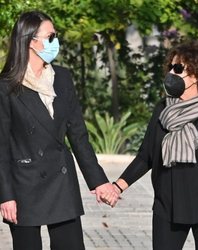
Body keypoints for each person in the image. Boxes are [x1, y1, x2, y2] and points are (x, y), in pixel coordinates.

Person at [107, 40, 198, 250]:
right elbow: (146, 156)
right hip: (168, 207)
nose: (171, 74)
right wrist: (117, 186)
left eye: (178, 68)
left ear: (197, 74)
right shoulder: (163, 110)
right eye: (171, 67)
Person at [0, 11, 119, 250]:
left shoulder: (62, 78)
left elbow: (78, 135)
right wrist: (5, 196)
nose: (56, 41)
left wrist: (99, 182)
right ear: (31, 41)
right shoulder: (6, 86)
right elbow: (0, 147)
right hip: (24, 186)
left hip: (61, 184)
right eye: (51, 36)